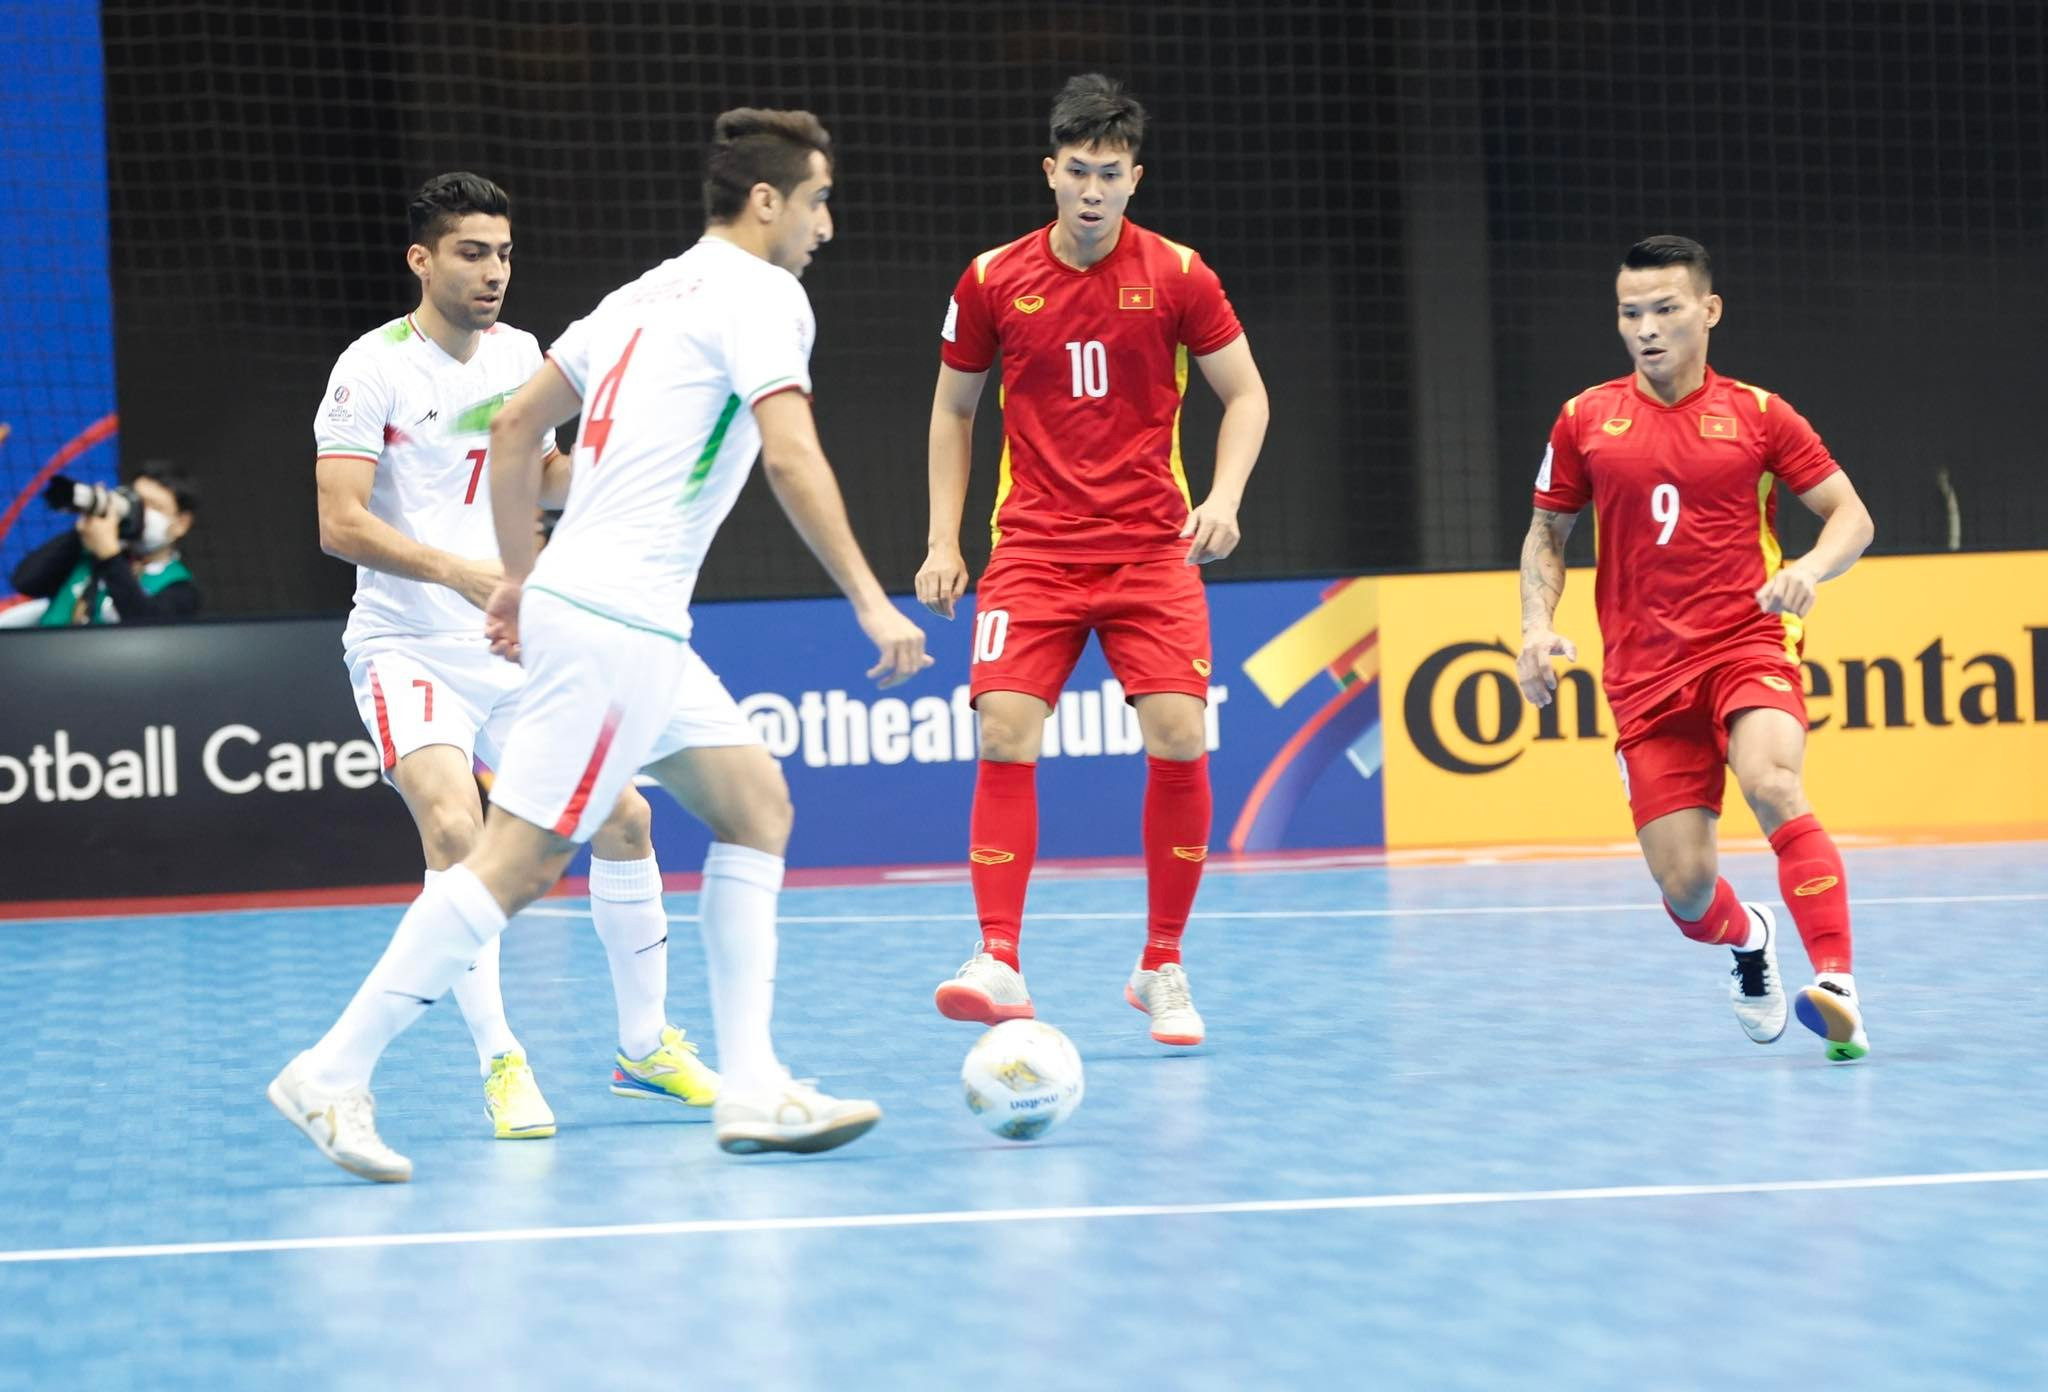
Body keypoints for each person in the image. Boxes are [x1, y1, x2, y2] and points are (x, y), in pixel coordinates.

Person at [271, 109, 929, 1182]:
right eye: (815, 200)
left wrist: (524, 580)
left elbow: (517, 430)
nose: (826, 224)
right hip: (613, 617)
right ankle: (334, 1070)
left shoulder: (638, 293)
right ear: (766, 202)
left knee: (754, 803)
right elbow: (790, 454)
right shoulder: (764, 294)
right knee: (514, 861)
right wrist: (867, 596)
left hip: (614, 613)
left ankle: (751, 1083)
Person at [309, 171, 713, 1145]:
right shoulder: (369, 370)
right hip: (408, 644)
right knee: (460, 831)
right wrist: (454, 571)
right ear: (423, 259)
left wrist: (647, 461)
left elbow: (546, 474)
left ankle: (644, 1047)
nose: (492, 272)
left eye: (502, 253)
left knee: (622, 817)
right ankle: (501, 1059)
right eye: (470, 252)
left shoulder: (524, 354)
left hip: (510, 637)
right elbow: (338, 522)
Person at [917, 74, 1270, 1047]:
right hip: (1031, 549)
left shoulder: (1180, 275)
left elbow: (1245, 396)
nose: (1090, 191)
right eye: (1074, 172)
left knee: (1177, 737)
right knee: (1003, 734)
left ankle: (1160, 964)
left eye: (1108, 175)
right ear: (1049, 171)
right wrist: (946, 539)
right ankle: (997, 958)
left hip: (1150, 553)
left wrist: (1224, 498)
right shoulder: (991, 279)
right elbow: (954, 411)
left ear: (1133, 178)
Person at [1516, 234, 1876, 1063]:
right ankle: (1750, 938)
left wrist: (1811, 569)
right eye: (1630, 313)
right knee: (1685, 891)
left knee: (1774, 782)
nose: (1646, 328)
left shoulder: (1759, 415)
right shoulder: (1584, 420)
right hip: (1643, 674)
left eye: (1665, 309)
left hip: (1746, 640)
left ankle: (1838, 985)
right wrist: (1535, 628)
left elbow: (1851, 517)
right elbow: (1546, 531)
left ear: (1708, 311)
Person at [9, 465, 201, 624]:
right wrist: (82, 532)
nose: (139, 512)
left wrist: (109, 555)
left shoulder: (180, 588)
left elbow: (146, 629)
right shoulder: (86, 555)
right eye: (136, 501)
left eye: (153, 506)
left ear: (181, 524)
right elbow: (25, 582)